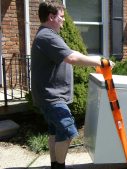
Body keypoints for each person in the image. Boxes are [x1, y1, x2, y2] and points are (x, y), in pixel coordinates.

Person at [31, 1, 114, 169]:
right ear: (51, 17)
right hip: (52, 97)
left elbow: (71, 53)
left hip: (49, 95)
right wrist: (101, 61)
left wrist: (94, 61)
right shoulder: (47, 36)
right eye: (61, 17)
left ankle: (55, 164)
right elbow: (72, 59)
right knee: (68, 131)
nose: (63, 20)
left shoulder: (49, 35)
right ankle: (60, 166)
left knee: (55, 131)